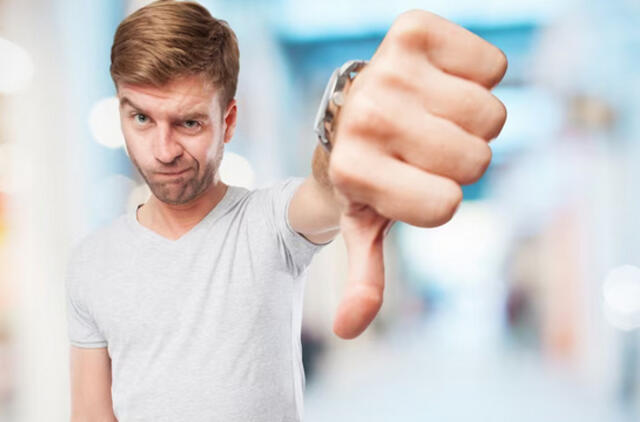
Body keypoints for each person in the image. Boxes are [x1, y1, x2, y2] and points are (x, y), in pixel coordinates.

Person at [65, 1, 507, 421]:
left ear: (228, 122)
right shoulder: (92, 262)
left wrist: (347, 115)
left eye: (189, 123)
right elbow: (90, 415)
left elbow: (326, 188)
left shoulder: (269, 222)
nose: (163, 151)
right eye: (142, 119)